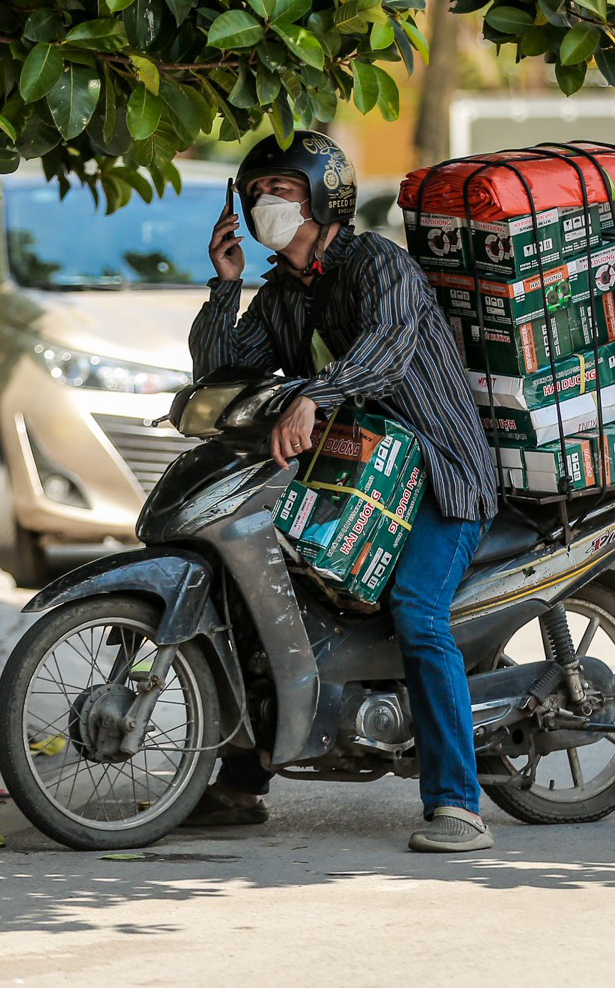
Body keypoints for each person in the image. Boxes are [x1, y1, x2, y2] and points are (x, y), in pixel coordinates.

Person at [185, 130, 501, 854]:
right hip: (356, 482)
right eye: (258, 193)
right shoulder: (282, 296)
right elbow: (219, 369)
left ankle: (457, 803)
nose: (268, 203)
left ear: (325, 197)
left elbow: (385, 352)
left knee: (419, 612)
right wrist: (226, 282)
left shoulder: (379, 264)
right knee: (258, 594)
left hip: (440, 476)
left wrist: (314, 395)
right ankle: (241, 780)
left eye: (284, 191)